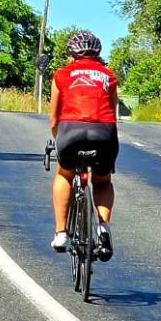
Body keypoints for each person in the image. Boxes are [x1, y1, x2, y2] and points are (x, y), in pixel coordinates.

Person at [47, 30, 119, 260]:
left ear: (71, 55)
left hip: (70, 132)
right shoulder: (109, 76)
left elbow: (54, 119)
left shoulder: (62, 75)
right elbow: (113, 112)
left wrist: (58, 140)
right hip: (104, 132)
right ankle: (103, 228)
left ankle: (61, 233)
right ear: (97, 54)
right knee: (103, 180)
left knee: (64, 175)